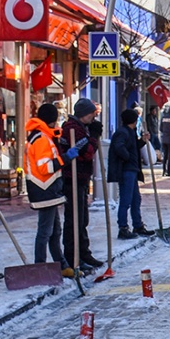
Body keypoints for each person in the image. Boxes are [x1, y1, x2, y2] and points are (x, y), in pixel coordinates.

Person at [23, 102, 68, 272]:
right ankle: (40, 267)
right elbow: (45, 168)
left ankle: (60, 264)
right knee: (46, 231)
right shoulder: (41, 139)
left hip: (48, 190)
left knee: (55, 231)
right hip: (44, 189)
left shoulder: (43, 136)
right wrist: (65, 159)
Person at [60, 98, 103, 270]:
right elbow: (86, 153)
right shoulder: (72, 129)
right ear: (84, 113)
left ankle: (84, 253)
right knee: (74, 220)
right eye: (92, 113)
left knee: (82, 219)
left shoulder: (81, 128)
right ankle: (73, 256)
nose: (94, 117)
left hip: (82, 179)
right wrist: (93, 138)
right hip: (73, 178)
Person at [107, 108, 154, 240]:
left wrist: (142, 141)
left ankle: (137, 225)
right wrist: (128, 157)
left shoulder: (130, 132)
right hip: (126, 170)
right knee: (126, 200)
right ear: (134, 120)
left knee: (135, 199)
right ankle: (123, 227)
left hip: (132, 169)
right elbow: (119, 147)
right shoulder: (123, 132)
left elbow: (131, 147)